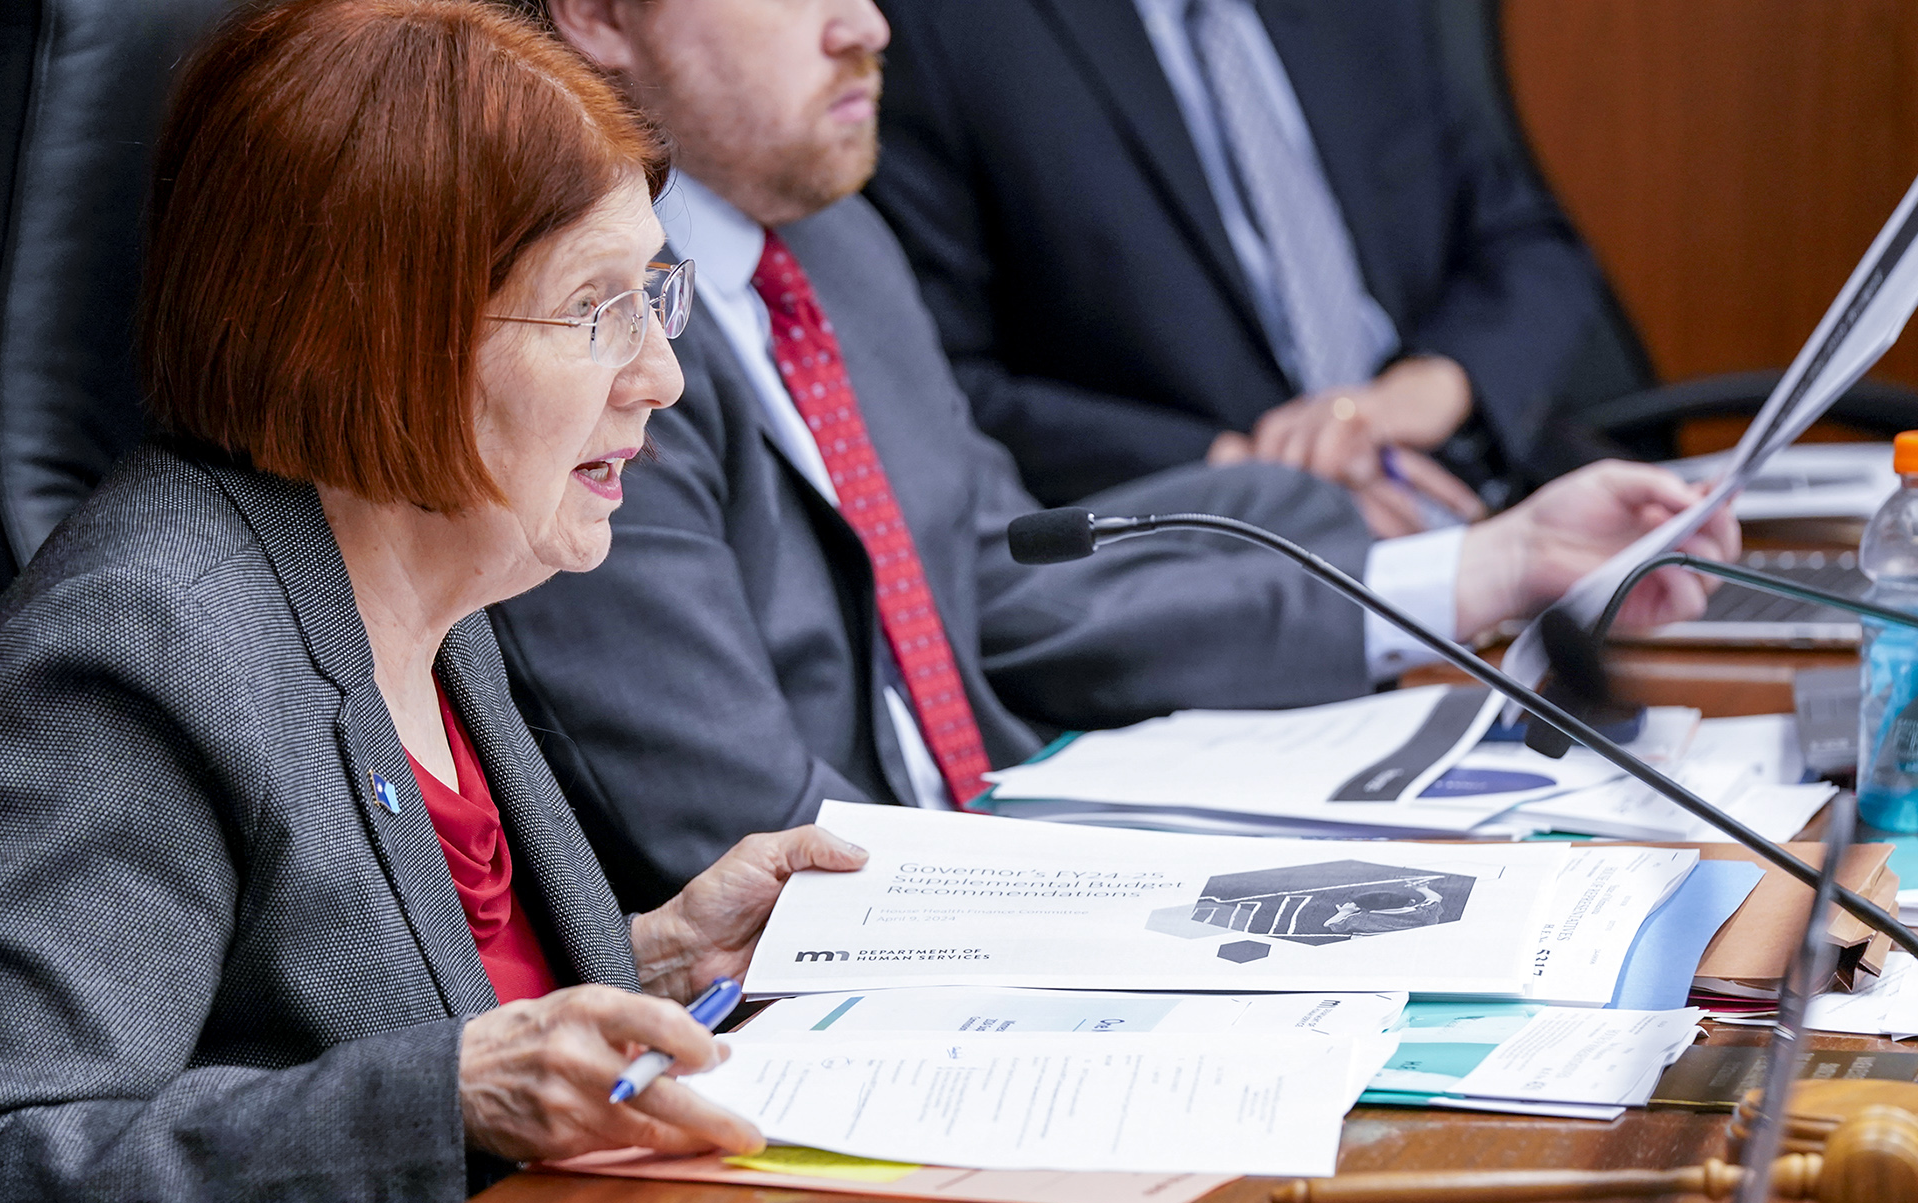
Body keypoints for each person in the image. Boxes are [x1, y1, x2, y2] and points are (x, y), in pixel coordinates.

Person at [0, 4, 864, 1203]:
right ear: (386, 330)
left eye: (657, 296)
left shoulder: (434, 585)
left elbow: (335, 988)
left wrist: (650, 957)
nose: (662, 376)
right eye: (593, 310)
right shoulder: (137, 650)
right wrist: (447, 1096)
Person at [495, 0, 1735, 912]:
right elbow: (747, 834)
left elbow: (1011, 583)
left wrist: (1485, 563)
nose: (866, 23)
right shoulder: (600, 342)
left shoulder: (838, 254)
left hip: (995, 877)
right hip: (848, 972)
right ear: (601, 18)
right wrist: (1122, 900)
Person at [866, 0, 1604, 528]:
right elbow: (941, 390)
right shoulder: (940, 32)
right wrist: (1243, 471)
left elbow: (1530, 242)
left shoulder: (1367, 17)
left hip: (1479, 484)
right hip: (1212, 552)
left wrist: (1433, 387)